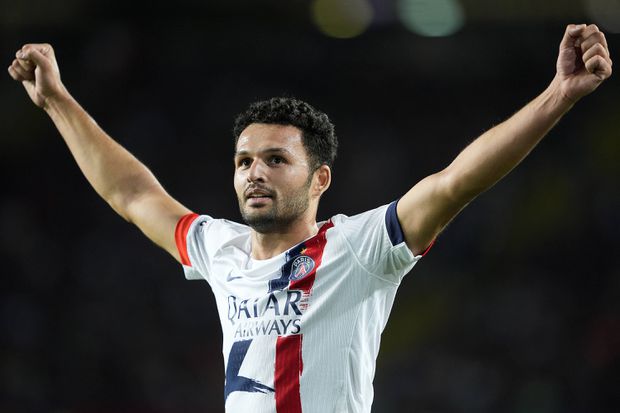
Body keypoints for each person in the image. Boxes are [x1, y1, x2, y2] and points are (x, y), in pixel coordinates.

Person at [8, 23, 612, 413]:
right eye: (244, 161)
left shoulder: (358, 249)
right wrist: (58, 102)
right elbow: (133, 193)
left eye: (276, 160)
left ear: (319, 179)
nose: (254, 173)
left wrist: (558, 95)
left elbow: (456, 182)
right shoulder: (221, 250)